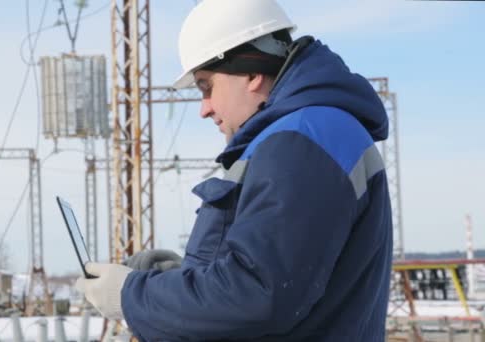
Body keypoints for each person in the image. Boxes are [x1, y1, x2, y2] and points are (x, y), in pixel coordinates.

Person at [76, 0, 393, 340]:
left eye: (206, 87)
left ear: (251, 73)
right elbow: (278, 280)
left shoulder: (301, 141)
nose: (205, 109)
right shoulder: (308, 133)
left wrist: (131, 296)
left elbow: (257, 296)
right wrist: (177, 277)